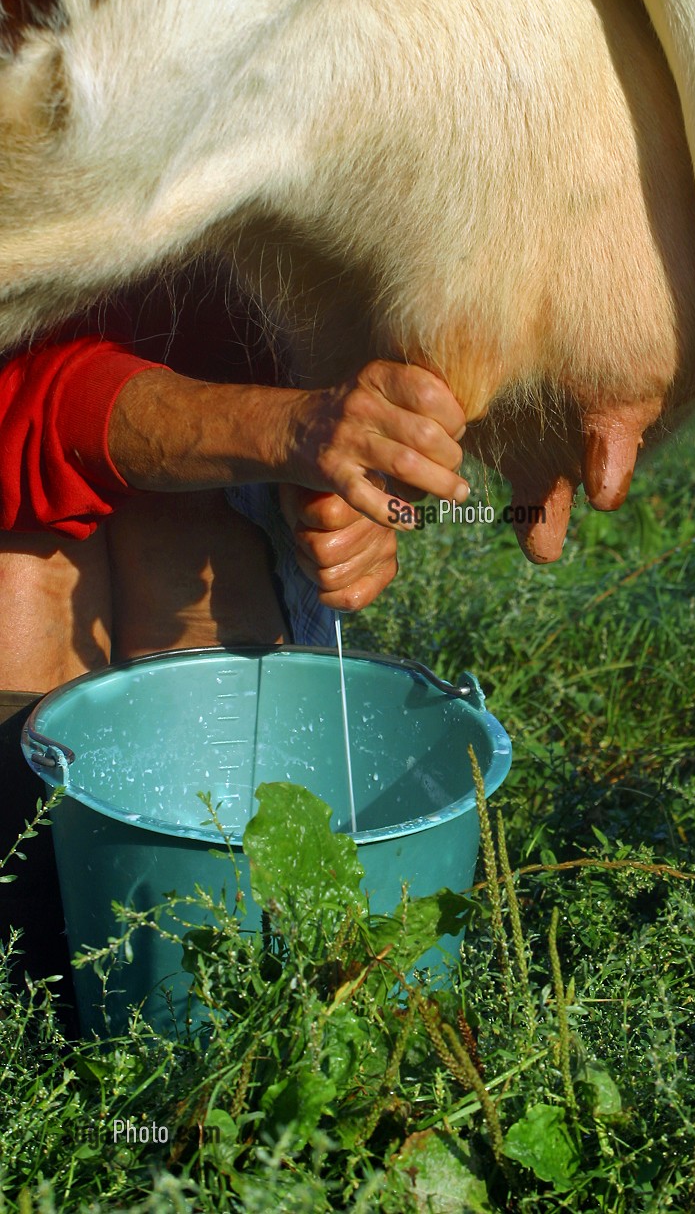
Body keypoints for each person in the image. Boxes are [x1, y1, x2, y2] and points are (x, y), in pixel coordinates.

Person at [0, 269, 468, 1001]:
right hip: (32, 423)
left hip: (224, 432)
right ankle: (33, 977)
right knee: (22, 566)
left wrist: (336, 484)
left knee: (186, 537)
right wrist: (292, 430)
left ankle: (229, 956)